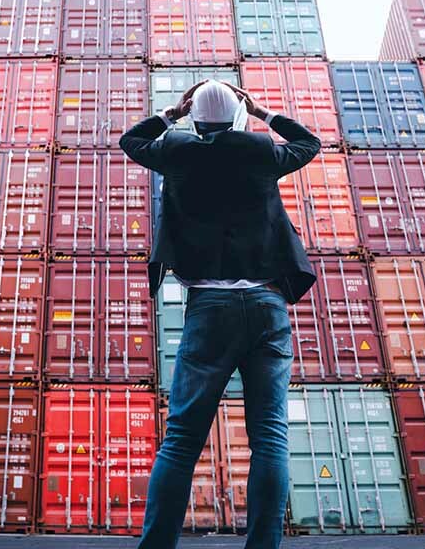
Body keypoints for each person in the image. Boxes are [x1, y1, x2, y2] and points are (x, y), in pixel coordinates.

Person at [119, 79, 321, 549]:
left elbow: (131, 141)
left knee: (183, 440)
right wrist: (265, 113)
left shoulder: (177, 152)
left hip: (209, 308)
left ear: (194, 118)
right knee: (270, 436)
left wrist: (171, 114)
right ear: (238, 116)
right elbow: (309, 142)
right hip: (268, 306)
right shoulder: (262, 152)